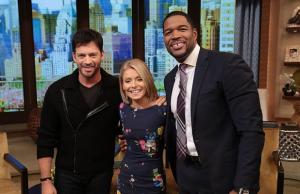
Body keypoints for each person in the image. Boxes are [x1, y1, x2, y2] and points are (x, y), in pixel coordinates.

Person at [163, 11, 264, 194]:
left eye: (182, 29)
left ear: (195, 34)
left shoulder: (228, 65)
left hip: (224, 179)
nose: (175, 35)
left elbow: (251, 130)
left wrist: (243, 187)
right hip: (186, 176)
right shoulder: (170, 79)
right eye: (168, 32)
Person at [37, 29, 121, 194]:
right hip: (67, 174)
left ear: (102, 55)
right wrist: (45, 180)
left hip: (102, 173)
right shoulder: (57, 91)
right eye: (82, 55)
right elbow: (45, 139)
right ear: (74, 57)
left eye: (92, 55)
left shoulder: (117, 89)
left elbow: (130, 127)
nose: (87, 61)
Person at [117, 59, 166, 194]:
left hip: (153, 182)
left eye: (139, 79)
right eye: (128, 81)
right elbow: (124, 138)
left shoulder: (163, 109)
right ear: (122, 86)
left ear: (147, 80)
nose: (134, 85)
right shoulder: (122, 109)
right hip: (126, 180)